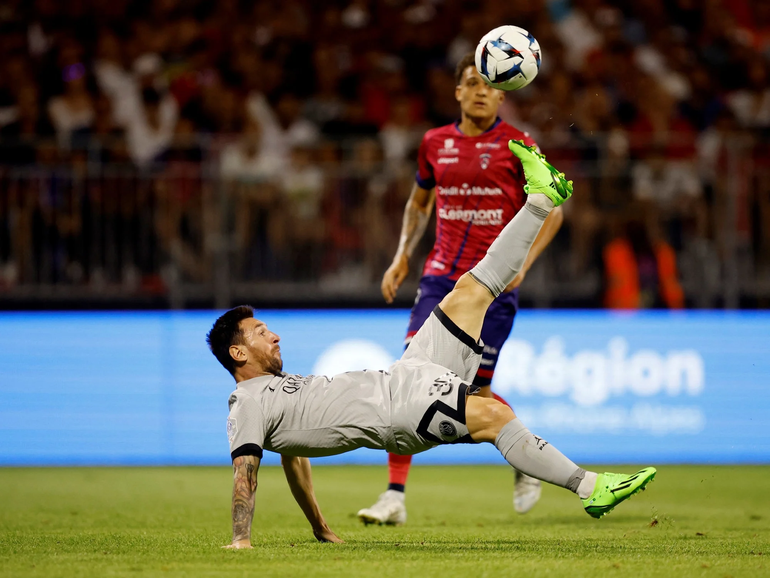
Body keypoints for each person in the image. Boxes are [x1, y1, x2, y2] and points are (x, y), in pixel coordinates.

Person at [207, 141, 656, 549]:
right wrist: (240, 540)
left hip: (404, 374)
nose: (275, 334)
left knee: (469, 291)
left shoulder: (280, 394)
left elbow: (295, 462)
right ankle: (590, 488)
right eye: (261, 332)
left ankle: (540, 199)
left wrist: (320, 528)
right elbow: (245, 472)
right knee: (494, 414)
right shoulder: (245, 403)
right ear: (238, 353)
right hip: (398, 413)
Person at [358, 52, 565, 525]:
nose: (480, 91)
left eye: (490, 85)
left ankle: (524, 452)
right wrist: (401, 254)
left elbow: (553, 209)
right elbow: (419, 202)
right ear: (458, 92)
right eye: (471, 82)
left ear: (501, 93)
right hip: (440, 278)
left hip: (492, 286)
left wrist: (524, 264)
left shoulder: (519, 144)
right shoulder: (434, 143)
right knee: (409, 379)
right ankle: (394, 496)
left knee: (477, 390)